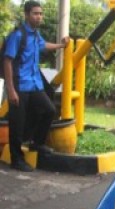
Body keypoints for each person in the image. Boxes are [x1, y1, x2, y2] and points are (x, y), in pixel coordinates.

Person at [3, 1, 69, 172]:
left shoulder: (35, 35)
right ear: (26, 15)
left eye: (40, 13)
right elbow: (7, 61)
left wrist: (61, 45)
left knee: (49, 110)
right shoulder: (17, 35)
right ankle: (17, 159)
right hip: (19, 86)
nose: (39, 16)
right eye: (35, 13)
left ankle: (36, 143)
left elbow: (44, 45)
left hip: (34, 85)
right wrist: (10, 89)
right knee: (17, 123)